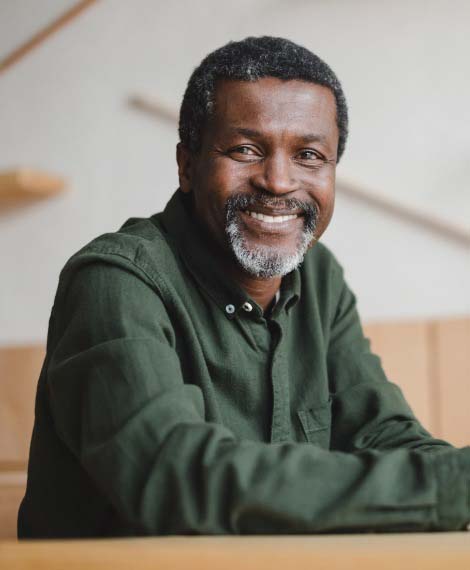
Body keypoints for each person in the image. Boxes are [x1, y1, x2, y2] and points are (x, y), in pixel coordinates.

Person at [18, 36, 470, 538]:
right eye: (246, 150)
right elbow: (173, 478)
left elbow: (383, 431)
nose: (278, 181)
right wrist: (447, 489)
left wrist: (455, 486)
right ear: (187, 166)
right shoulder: (115, 281)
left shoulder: (319, 277)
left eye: (309, 155)